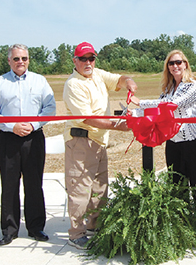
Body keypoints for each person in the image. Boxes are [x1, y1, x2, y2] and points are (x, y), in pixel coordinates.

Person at [130, 50, 196, 244]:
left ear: (185, 64)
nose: (175, 66)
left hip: (193, 142)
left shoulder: (192, 86)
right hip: (174, 142)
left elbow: (171, 105)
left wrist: (140, 103)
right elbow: (159, 109)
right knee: (178, 187)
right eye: (171, 63)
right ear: (167, 67)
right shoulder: (167, 88)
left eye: (179, 62)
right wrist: (134, 114)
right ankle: (182, 228)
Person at [63, 42, 137, 250]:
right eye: (83, 58)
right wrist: (119, 126)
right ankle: (76, 234)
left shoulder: (96, 74)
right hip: (81, 140)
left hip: (98, 141)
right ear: (74, 61)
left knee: (99, 187)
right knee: (80, 188)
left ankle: (94, 226)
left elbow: (119, 79)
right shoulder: (73, 84)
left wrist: (129, 82)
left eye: (91, 58)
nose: (88, 62)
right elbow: (88, 119)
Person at [0, 44, 56, 246]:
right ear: (9, 61)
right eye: (16, 59)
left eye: (24, 58)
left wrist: (33, 124)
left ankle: (36, 228)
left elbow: (50, 107)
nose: (20, 62)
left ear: (28, 60)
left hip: (34, 138)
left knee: (34, 184)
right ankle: (9, 229)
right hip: (8, 139)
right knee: (9, 185)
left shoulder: (40, 81)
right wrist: (12, 126)